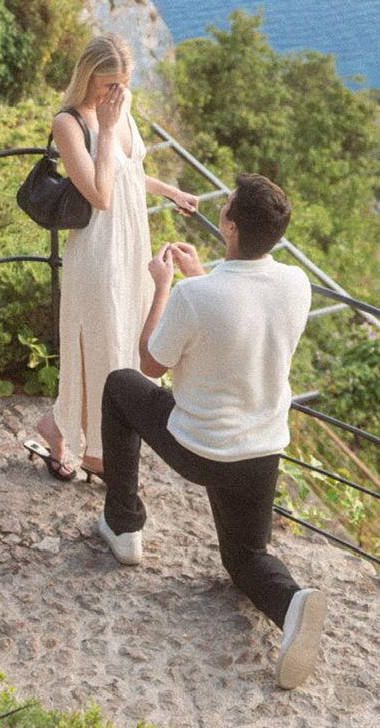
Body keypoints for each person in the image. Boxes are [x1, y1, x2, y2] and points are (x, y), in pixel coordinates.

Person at [94, 174, 327, 690]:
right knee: (245, 559)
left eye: (225, 209)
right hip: (262, 450)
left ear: (232, 227)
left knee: (120, 386)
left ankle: (124, 523)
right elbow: (242, 322)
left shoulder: (195, 295)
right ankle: (291, 605)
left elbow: (151, 363)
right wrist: (199, 276)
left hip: (198, 447)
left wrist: (165, 287)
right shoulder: (296, 284)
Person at [24, 34, 197, 481]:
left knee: (127, 343)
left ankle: (63, 426)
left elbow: (127, 174)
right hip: (99, 253)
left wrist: (169, 190)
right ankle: (92, 445)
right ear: (88, 79)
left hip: (133, 245)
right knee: (100, 346)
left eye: (121, 85)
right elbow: (100, 194)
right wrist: (104, 124)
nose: (115, 95)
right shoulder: (70, 122)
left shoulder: (120, 109)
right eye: (107, 86)